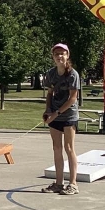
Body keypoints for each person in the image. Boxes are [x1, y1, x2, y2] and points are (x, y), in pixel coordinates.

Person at [42, 43, 80, 195]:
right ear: (53, 57)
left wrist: (56, 113)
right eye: (56, 54)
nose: (59, 56)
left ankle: (73, 184)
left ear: (67, 55)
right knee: (56, 148)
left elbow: (72, 98)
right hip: (54, 114)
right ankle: (59, 183)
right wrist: (47, 110)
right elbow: (50, 93)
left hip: (69, 115)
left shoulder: (72, 74)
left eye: (62, 54)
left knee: (69, 148)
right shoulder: (50, 74)